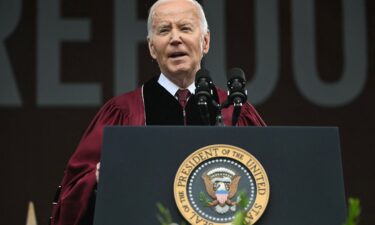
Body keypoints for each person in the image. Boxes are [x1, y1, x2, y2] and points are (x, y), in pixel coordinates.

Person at [50, 0, 265, 224]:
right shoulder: (122, 112)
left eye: (185, 28)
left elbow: (270, 181)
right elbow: (72, 193)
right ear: (152, 47)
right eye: (164, 30)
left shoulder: (236, 111)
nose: (175, 38)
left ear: (205, 41)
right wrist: (96, 179)